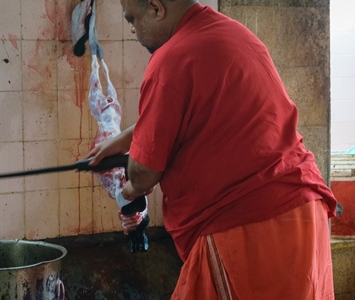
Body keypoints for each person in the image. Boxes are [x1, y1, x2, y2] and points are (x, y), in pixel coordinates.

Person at [87, 0, 338, 299]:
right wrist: (125, 139)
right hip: (302, 214)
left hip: (248, 226)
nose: (132, 30)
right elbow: (194, 110)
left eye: (133, 19)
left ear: (156, 8)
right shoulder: (234, 35)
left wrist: (126, 192)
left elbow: (143, 172)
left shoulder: (170, 59)